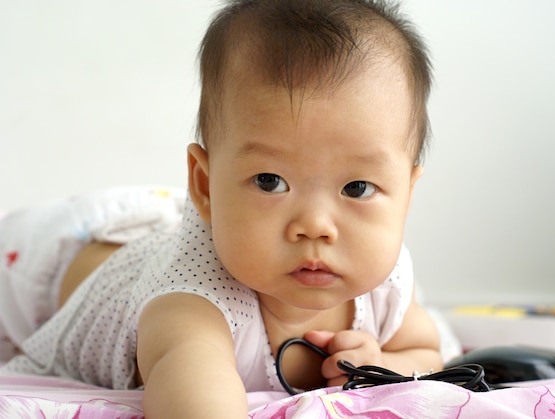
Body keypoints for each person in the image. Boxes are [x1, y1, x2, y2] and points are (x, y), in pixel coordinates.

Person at [0, 0, 443, 417]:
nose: (315, 226)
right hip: (51, 258)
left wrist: (382, 363)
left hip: (183, 224)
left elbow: (427, 353)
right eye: (271, 181)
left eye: (358, 187)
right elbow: (197, 398)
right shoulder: (193, 305)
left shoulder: (385, 283)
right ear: (206, 184)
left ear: (406, 192)